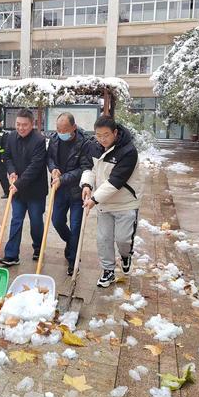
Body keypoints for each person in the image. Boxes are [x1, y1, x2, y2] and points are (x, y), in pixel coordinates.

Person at [81, 115, 142, 288]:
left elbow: (116, 181)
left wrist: (94, 199)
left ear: (115, 132)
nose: (102, 139)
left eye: (106, 135)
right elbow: (88, 167)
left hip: (125, 203)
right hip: (104, 204)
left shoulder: (128, 151)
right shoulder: (94, 147)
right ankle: (108, 271)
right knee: (104, 239)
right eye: (98, 135)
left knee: (123, 240)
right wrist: (86, 184)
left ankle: (125, 255)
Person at [0, 108, 48, 266]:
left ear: (32, 124)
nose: (21, 128)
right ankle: (12, 255)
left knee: (36, 221)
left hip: (35, 190)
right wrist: (12, 171)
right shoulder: (11, 137)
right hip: (17, 190)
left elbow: (35, 167)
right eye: (18, 124)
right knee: (16, 220)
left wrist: (18, 184)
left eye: (24, 125)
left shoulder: (39, 141)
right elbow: (7, 157)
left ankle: (38, 247)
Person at [47, 112, 91, 276]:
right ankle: (71, 243)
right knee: (57, 221)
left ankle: (73, 260)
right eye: (58, 129)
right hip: (59, 190)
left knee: (76, 226)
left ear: (74, 127)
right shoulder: (54, 139)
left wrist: (63, 178)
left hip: (77, 192)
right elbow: (49, 158)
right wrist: (53, 169)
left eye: (64, 129)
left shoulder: (85, 142)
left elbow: (84, 168)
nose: (61, 132)